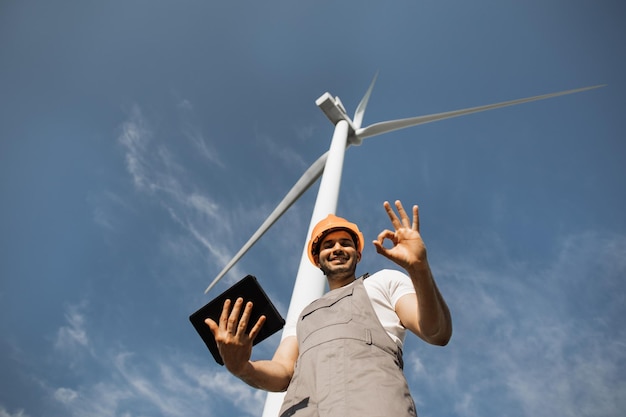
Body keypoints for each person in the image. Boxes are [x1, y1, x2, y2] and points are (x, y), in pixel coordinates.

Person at [206, 200, 452, 417]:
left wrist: (419, 268)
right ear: (318, 258)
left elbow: (436, 332)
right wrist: (242, 367)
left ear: (358, 254)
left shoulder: (384, 282)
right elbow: (282, 372)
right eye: (328, 245)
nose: (336, 248)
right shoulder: (302, 317)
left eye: (345, 243)